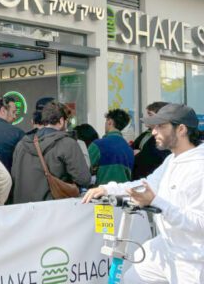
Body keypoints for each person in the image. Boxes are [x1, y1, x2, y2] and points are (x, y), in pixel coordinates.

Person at [82, 103, 204, 283]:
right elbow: (146, 184)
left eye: (160, 126)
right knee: (132, 277)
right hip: (167, 247)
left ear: (181, 129)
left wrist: (155, 201)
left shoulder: (199, 166)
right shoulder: (172, 159)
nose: (153, 132)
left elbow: (200, 223)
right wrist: (108, 188)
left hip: (192, 259)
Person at [11, 101, 91, 203]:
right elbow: (83, 179)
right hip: (54, 209)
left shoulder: (21, 144)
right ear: (62, 121)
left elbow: (14, 177)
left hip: (24, 210)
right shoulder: (67, 143)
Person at [89, 109, 134, 185]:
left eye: (106, 121)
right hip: (123, 193)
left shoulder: (98, 145)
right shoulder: (129, 149)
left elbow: (84, 171)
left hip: (103, 193)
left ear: (110, 122)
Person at [132, 101, 171, 180]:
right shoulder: (145, 134)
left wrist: (140, 154)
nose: (146, 118)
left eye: (150, 115)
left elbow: (154, 157)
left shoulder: (166, 138)